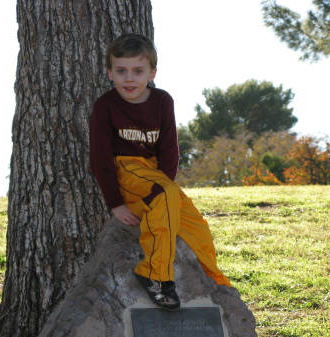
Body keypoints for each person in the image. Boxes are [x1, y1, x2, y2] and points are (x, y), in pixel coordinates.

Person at [89, 33, 231, 311]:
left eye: (138, 71)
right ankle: (154, 275)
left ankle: (217, 282)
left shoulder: (163, 101)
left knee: (195, 224)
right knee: (164, 197)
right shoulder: (105, 106)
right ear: (110, 73)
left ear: (152, 73)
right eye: (121, 71)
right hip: (125, 169)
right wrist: (115, 204)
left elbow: (169, 150)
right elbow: (100, 159)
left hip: (155, 175)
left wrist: (163, 188)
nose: (129, 78)